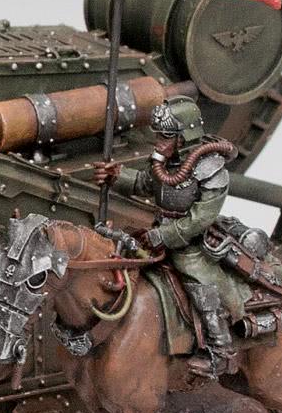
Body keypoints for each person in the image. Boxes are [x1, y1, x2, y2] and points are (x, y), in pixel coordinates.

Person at [95, 96, 246, 376]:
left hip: (190, 243)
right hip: (155, 232)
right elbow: (145, 184)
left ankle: (220, 349)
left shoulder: (209, 169)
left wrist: (164, 236)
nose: (158, 142)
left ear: (183, 136)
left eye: (165, 136)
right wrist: (117, 176)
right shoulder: (166, 161)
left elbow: (200, 219)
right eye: (158, 136)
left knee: (198, 281)